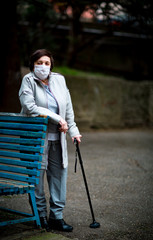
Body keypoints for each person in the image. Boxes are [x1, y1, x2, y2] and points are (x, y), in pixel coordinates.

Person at [19, 49, 82, 232]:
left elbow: (68, 108)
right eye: (39, 62)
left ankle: (57, 217)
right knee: (37, 180)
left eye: (47, 63)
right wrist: (57, 119)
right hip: (36, 139)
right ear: (32, 64)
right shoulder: (28, 81)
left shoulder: (60, 80)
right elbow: (30, 107)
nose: (43, 66)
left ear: (51, 65)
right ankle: (40, 216)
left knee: (59, 177)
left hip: (57, 138)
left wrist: (74, 131)